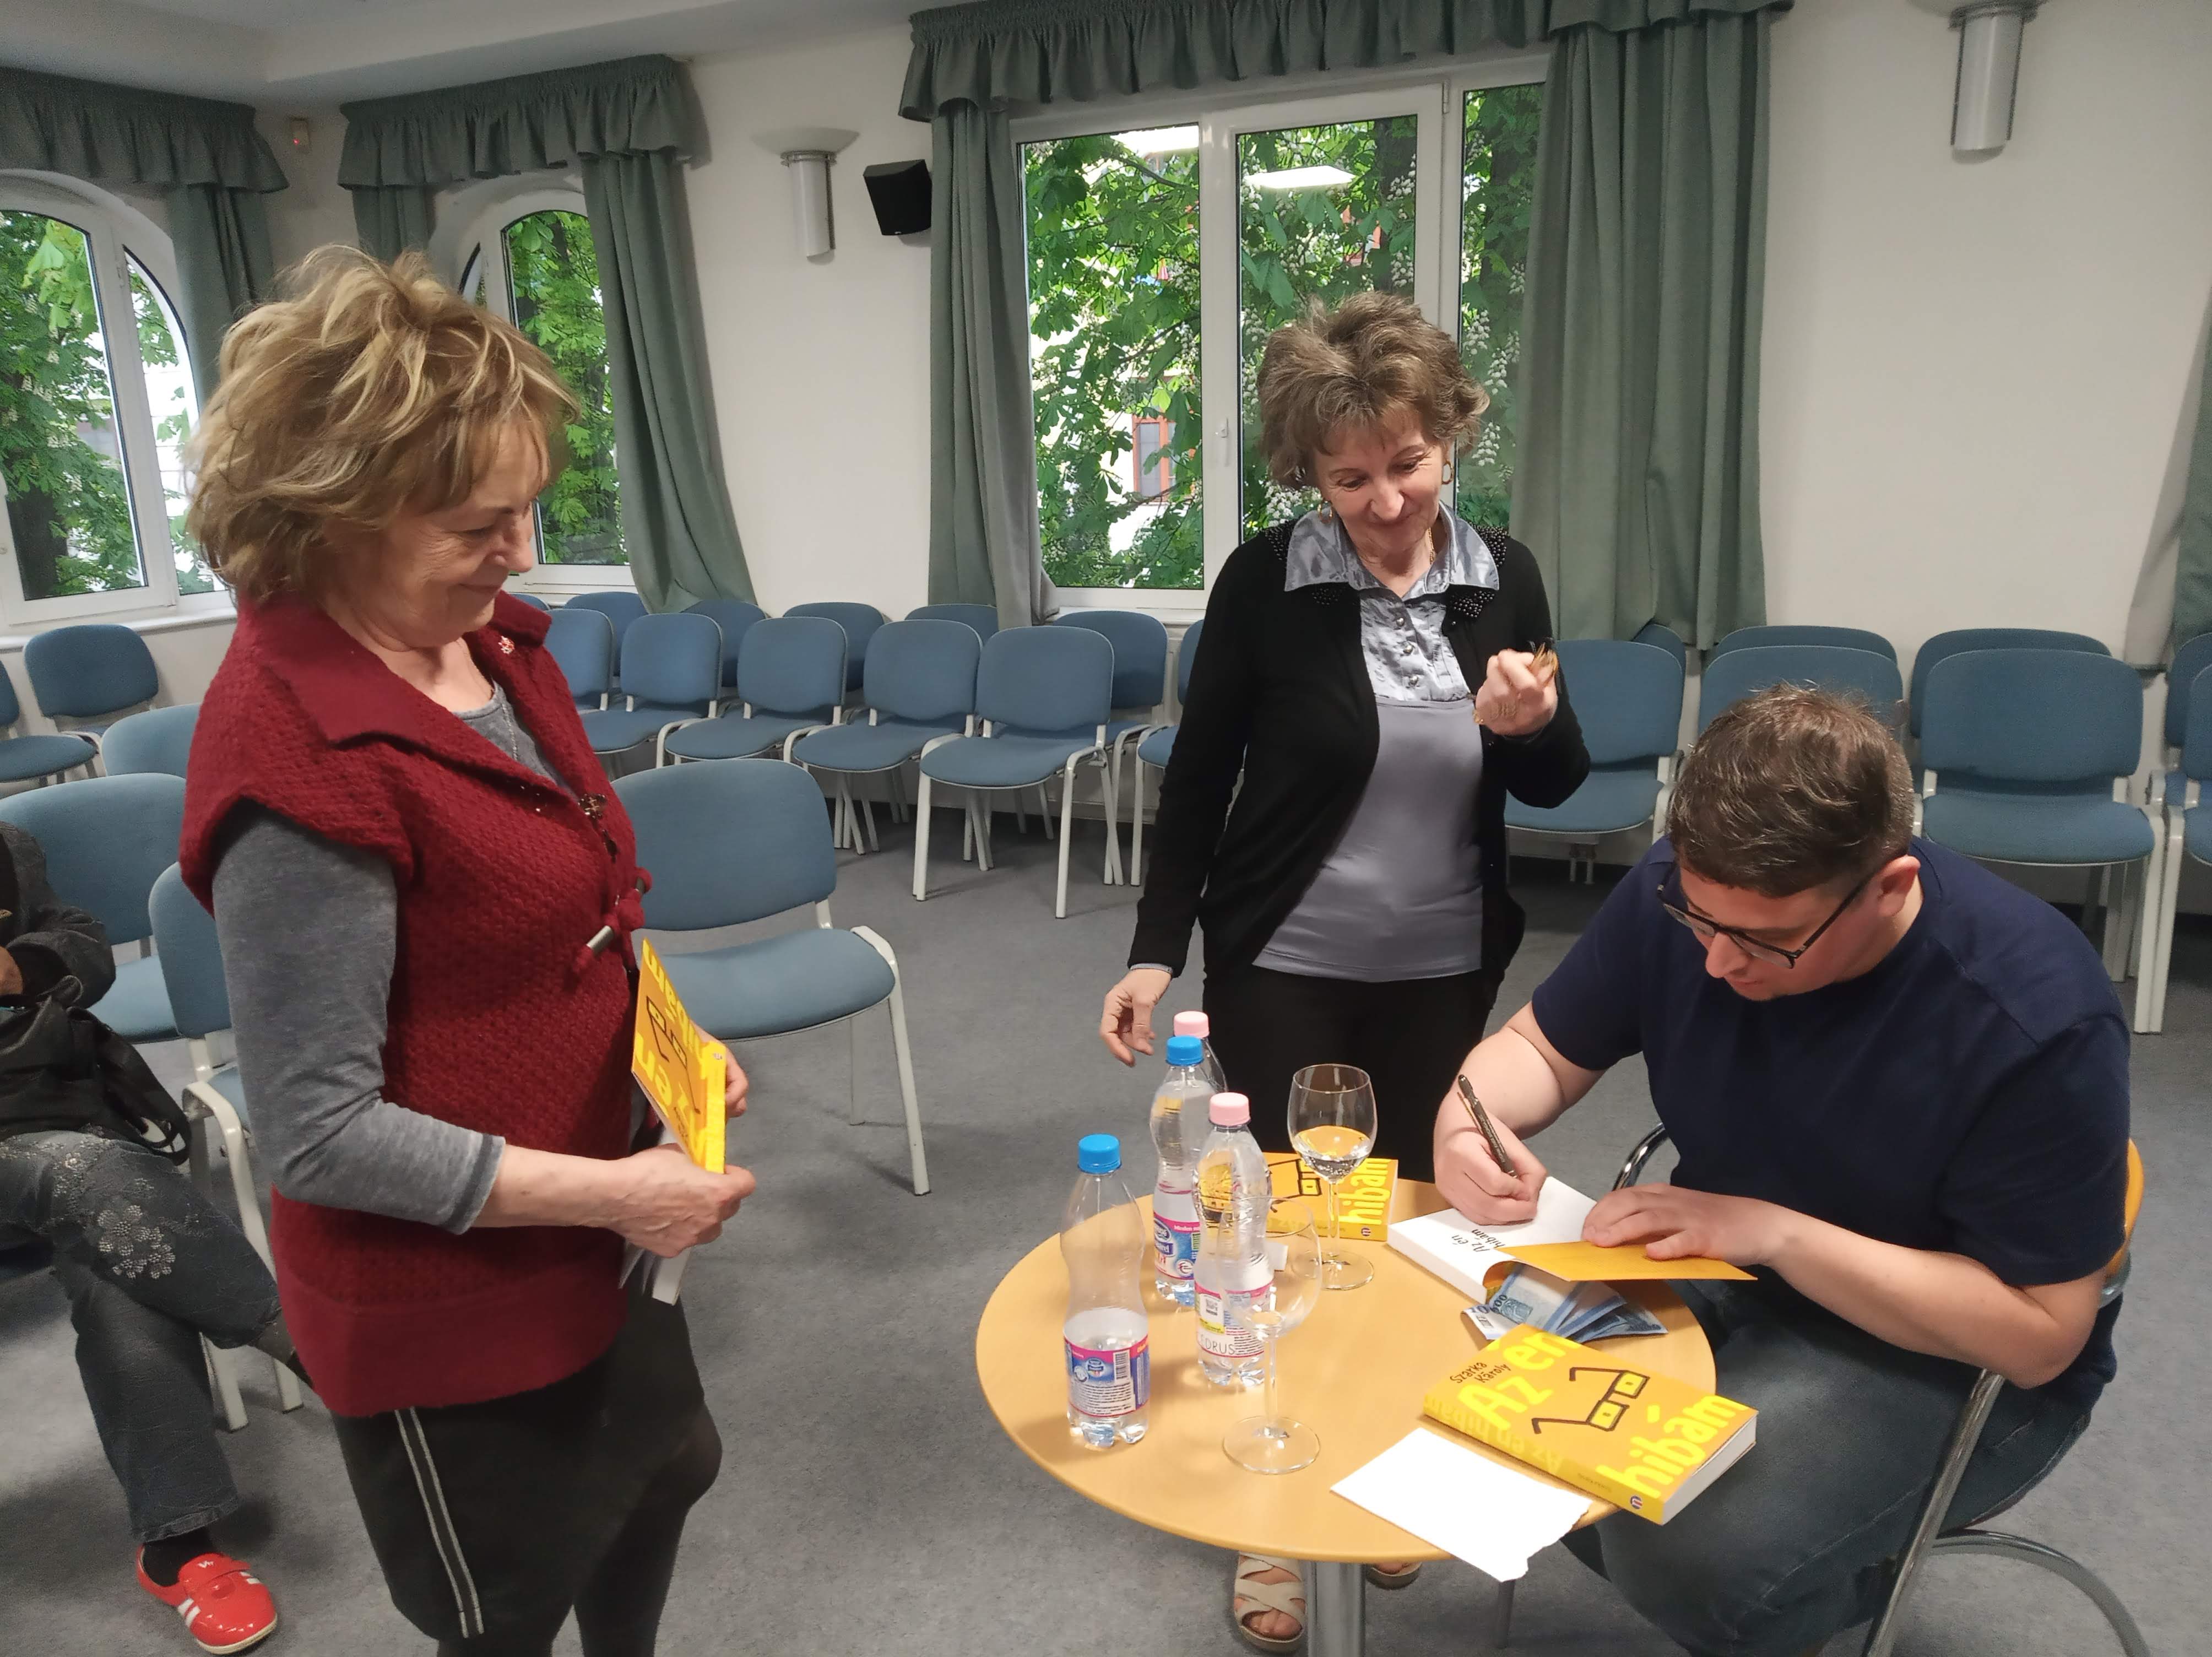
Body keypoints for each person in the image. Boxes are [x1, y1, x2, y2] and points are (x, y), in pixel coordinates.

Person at [176, 247, 755, 1657]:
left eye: (527, 511)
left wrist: (670, 1047)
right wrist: (619, 1194)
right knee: (505, 1603)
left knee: (657, 1478)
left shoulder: (492, 650)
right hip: (448, 1294)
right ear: (330, 517)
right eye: (475, 525)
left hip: (594, 1218)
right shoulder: (296, 760)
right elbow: (319, 1135)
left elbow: (577, 905)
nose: (520, 552)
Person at [1434, 685, 2129, 1657]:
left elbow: (2040, 1337)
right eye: (1699, 923)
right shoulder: (1696, 890)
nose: (1719, 964)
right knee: (1469, 1386)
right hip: (1730, 1262)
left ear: (1888, 886)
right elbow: (1538, 1050)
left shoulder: (2033, 1015)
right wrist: (1465, 1118)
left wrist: (1776, 1233)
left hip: (1946, 1353)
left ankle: (1812, 1585)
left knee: (1680, 1549)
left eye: (1767, 941)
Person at [1096, 291, 1588, 1651]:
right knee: (1286, 1227)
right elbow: (1200, 779)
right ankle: (1273, 1516)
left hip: (1442, 963)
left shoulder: (1503, 576)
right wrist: (1155, 951)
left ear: (1452, 437)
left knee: (1415, 1224)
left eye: (1407, 464)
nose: (1384, 500)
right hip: (1286, 960)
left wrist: (1530, 723)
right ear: (1308, 470)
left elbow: (1555, 780)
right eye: (1348, 476)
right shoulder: (1267, 582)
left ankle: (1383, 1466)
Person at [0, 819, 289, 1654]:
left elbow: (83, 948)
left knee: (122, 1257)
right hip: (59, 1156)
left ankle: (179, 1546)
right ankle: (319, 1352)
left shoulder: (6, 846)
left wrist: (18, 967)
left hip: (50, 1113)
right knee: (98, 1181)